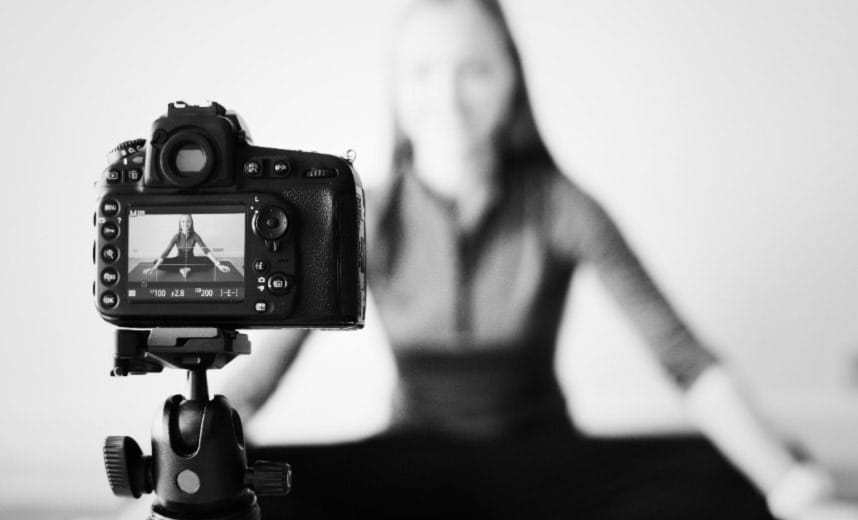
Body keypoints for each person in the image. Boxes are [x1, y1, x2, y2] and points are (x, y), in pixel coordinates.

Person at [229, 1, 858, 518]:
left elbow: (683, 360)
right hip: (409, 470)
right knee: (248, 483)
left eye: (474, 69)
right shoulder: (361, 217)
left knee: (739, 472)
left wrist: (786, 485)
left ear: (510, 79)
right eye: (422, 72)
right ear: (396, 88)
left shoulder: (563, 205)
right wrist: (199, 452)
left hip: (543, 467)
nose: (447, 95)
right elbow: (260, 380)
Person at [142, 214, 231, 279]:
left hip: (191, 260)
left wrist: (218, 265)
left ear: (191, 223)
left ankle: (188, 268)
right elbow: (166, 253)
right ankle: (182, 269)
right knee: (156, 262)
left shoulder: (195, 235)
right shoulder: (176, 236)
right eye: (183, 221)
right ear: (180, 224)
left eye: (188, 221)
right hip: (179, 260)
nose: (185, 223)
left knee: (210, 262)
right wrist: (154, 268)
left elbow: (206, 250)